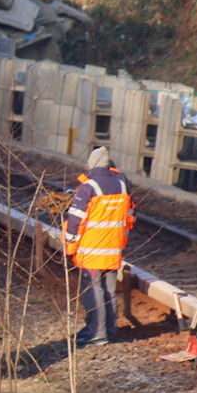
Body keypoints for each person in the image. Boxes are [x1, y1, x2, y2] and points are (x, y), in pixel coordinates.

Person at [65, 146, 135, 347]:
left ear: (92, 164)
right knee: (109, 289)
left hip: (92, 250)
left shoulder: (89, 186)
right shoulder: (122, 185)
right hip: (114, 249)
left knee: (93, 290)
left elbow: (75, 217)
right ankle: (109, 331)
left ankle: (97, 333)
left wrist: (70, 241)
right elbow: (130, 218)